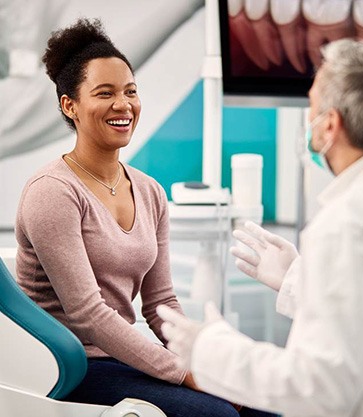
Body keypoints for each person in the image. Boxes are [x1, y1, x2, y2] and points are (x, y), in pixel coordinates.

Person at [15, 18, 277, 417]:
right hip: (67, 366)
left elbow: (161, 302)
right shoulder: (53, 192)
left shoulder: (150, 191)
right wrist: (183, 372)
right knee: (216, 414)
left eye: (130, 92)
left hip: (123, 357)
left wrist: (202, 357)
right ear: (70, 105)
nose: (123, 105)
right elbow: (88, 314)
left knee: (265, 404)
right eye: (105, 93)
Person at [157, 38, 363, 417]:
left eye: (311, 104)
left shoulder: (345, 223)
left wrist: (212, 349)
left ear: (329, 125)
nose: (307, 119)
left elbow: (320, 387)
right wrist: (298, 280)